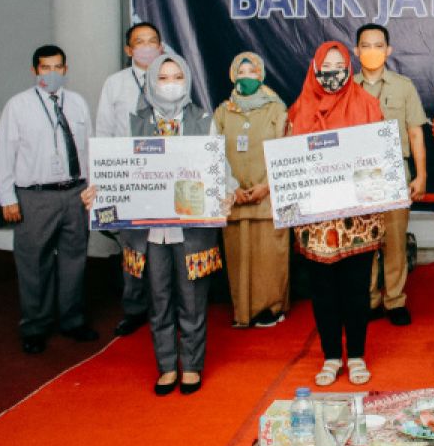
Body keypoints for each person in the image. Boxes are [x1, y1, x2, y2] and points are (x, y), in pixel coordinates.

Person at [85, 53, 234, 395]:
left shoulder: (203, 119)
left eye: (176, 76)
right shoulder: (133, 121)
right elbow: (117, 173)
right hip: (149, 231)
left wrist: (229, 193)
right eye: (163, 78)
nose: (170, 84)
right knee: (159, 299)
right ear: (152, 82)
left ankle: (192, 365)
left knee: (193, 300)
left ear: (187, 80)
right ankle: (167, 366)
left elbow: (220, 169)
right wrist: (98, 196)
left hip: (192, 230)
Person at [290, 42, 386, 386]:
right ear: (315, 69)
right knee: (323, 291)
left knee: (356, 290)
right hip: (316, 219)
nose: (333, 73)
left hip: (357, 216)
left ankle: (357, 355)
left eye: (339, 65)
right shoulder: (299, 109)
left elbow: (379, 157)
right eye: (326, 66)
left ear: (349, 67)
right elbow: (290, 164)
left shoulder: (367, 104)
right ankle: (331, 357)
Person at [0, 45, 97, 355]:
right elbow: (3, 153)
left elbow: (89, 149)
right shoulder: (18, 106)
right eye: (44, 68)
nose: (51, 73)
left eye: (57, 67)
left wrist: (94, 188)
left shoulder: (77, 103)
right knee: (34, 262)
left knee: (74, 259)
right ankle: (36, 326)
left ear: (65, 70)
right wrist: (7, 197)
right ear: (34, 71)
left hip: (75, 192)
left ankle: (72, 320)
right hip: (35, 195)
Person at [354, 23, 428, 326]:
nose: (372, 51)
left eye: (378, 45)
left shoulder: (403, 86)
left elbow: (415, 133)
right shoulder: (348, 88)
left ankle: (395, 300)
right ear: (357, 51)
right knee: (364, 240)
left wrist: (421, 176)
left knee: (395, 241)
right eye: (366, 45)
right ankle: (369, 299)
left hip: (396, 171)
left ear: (388, 50)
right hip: (358, 176)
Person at [95, 21, 165, 337]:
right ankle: (135, 308)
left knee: (166, 244)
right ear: (129, 50)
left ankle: (166, 307)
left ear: (161, 47)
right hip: (127, 177)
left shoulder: (172, 77)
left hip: (165, 175)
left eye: (152, 41)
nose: (147, 47)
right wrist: (104, 183)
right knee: (133, 247)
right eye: (140, 42)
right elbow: (104, 133)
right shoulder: (115, 84)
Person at [213, 52, 290, 329]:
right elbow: (213, 152)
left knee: (269, 255)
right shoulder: (223, 111)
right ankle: (243, 311)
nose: (247, 77)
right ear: (233, 76)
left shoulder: (276, 109)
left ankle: (271, 308)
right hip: (234, 197)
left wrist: (267, 186)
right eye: (241, 72)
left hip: (268, 196)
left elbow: (287, 152)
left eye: (253, 72)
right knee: (238, 256)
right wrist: (231, 187)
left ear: (262, 75)